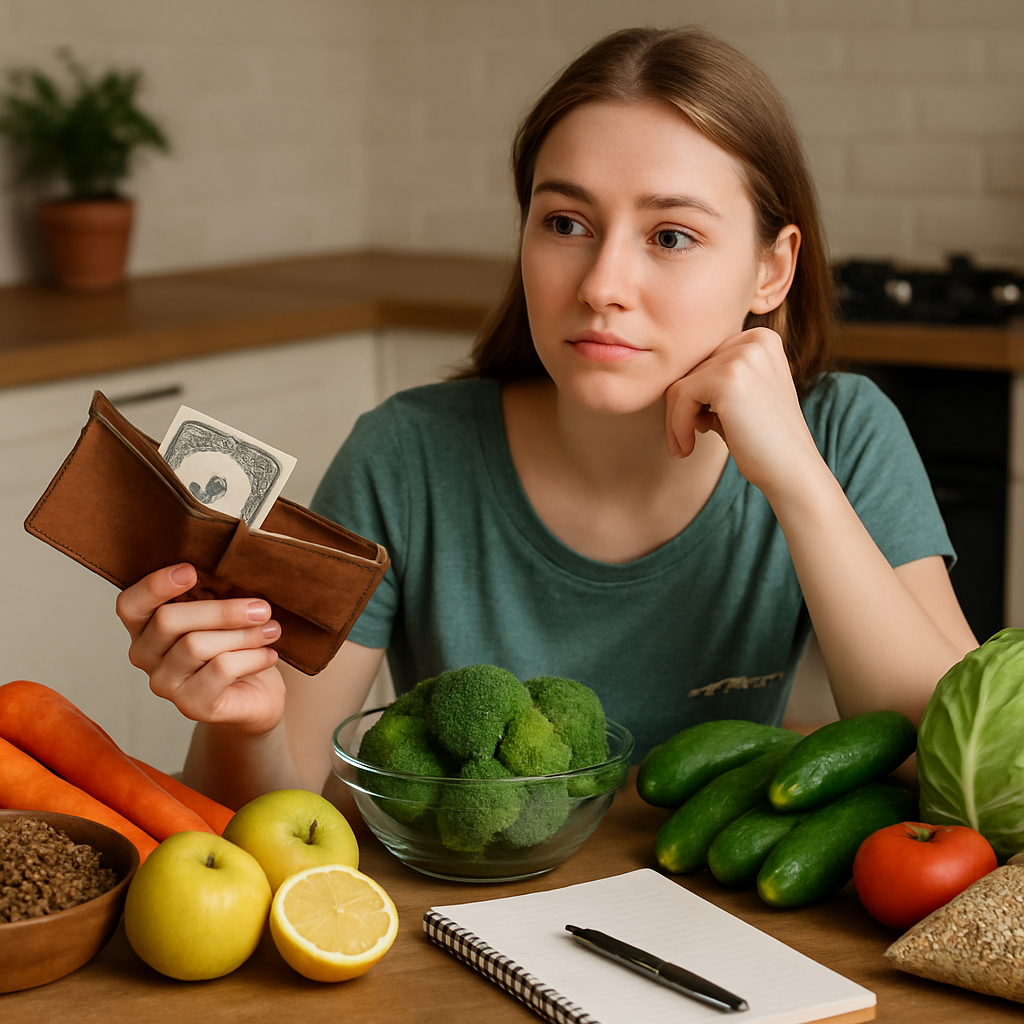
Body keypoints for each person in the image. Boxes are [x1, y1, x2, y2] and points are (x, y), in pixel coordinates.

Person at [116, 27, 977, 809]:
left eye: (671, 236)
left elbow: (949, 762)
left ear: (772, 271)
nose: (602, 284)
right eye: (566, 222)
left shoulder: (844, 434)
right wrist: (247, 726)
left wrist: (797, 479)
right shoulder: (403, 457)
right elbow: (272, 811)